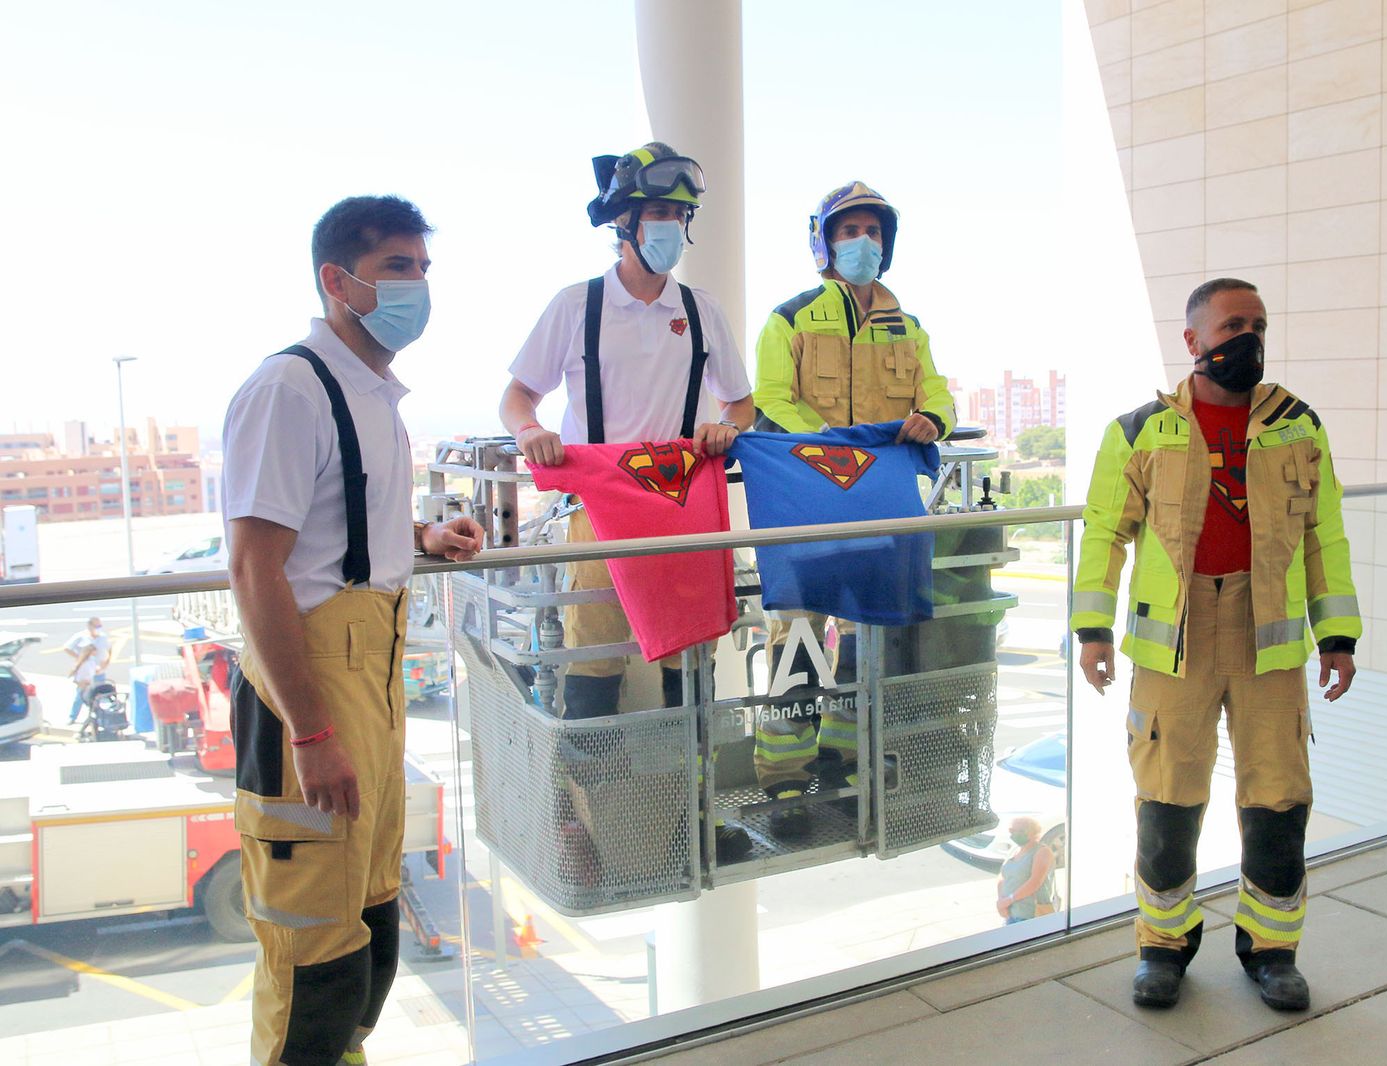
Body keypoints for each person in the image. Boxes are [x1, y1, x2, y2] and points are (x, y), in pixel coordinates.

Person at [223, 195, 483, 1066]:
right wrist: (314, 731)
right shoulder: (289, 388)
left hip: (375, 667)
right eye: (397, 269)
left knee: (368, 911)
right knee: (311, 943)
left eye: (422, 268)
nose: (418, 286)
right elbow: (256, 566)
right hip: (313, 684)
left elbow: (337, 522)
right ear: (339, 282)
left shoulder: (374, 396)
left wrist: (422, 538)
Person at [1071, 277, 1361, 1013]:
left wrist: (1338, 633)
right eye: (1233, 325)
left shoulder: (1299, 425)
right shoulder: (1140, 430)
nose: (1249, 338)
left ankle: (1271, 951)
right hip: (1176, 642)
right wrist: (1093, 629)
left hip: (1269, 640)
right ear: (1194, 341)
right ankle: (1162, 947)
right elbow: (1104, 534)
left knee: (1278, 799)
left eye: (1259, 324)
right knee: (1167, 798)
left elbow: (1324, 535)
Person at [498, 142, 755, 860]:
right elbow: (518, 395)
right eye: (659, 214)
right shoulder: (576, 306)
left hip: (682, 510)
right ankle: (592, 825)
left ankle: (695, 819)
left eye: (681, 214)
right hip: (601, 512)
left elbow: (742, 403)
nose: (671, 226)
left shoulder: (701, 312)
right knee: (594, 660)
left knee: (689, 668)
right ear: (624, 224)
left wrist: (723, 428)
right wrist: (531, 432)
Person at [749, 182, 957, 837]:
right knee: (798, 644)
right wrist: (839, 451)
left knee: (868, 637)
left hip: (880, 508)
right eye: (849, 231)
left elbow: (939, 396)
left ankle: (842, 760)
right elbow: (771, 399)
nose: (862, 242)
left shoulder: (910, 328)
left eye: (873, 231)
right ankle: (784, 784)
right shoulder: (790, 319)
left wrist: (930, 419)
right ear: (825, 242)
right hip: (809, 503)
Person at [995, 817, 1056, 924]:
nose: (1015, 834)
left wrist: (1009, 900)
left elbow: (1035, 882)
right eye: (1012, 830)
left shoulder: (1042, 851)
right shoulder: (1015, 850)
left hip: (1031, 916)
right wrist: (1001, 901)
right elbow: (1002, 876)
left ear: (1033, 832)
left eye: (1021, 831)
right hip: (1011, 915)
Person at [63, 616, 110, 724]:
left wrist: (105, 664)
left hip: (99, 673)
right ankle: (73, 717)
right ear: (89, 626)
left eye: (100, 626)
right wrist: (80, 658)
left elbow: (109, 650)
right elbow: (66, 648)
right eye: (96, 626)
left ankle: (100, 718)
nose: (99, 628)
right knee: (80, 696)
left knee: (100, 696)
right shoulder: (80, 636)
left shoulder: (103, 637)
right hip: (85, 674)